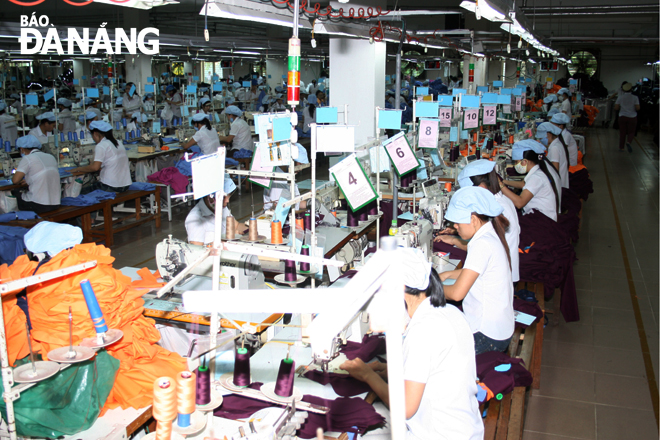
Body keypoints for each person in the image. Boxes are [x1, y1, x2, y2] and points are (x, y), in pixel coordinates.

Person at [339, 248, 484, 440]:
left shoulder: (422, 331)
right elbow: (436, 370)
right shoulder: (451, 312)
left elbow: (405, 408)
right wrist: (390, 368)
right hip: (466, 430)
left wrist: (367, 375)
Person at [437, 186, 514, 354]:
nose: (455, 226)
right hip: (500, 328)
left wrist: (429, 288)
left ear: (473, 219)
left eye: (457, 222)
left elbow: (457, 294)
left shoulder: (481, 244)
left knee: (435, 350)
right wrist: (448, 274)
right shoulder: (488, 235)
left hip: (487, 336)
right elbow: (477, 272)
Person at [445, 159, 520, 283]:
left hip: (498, 278)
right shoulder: (499, 200)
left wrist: (454, 240)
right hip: (503, 271)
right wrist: (457, 228)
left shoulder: (496, 208)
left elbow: (480, 248)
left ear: (480, 187)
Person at [500, 139, 561, 221]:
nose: (515, 165)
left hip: (543, 221)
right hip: (541, 217)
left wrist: (500, 185)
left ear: (525, 161)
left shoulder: (536, 177)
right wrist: (504, 182)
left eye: (516, 162)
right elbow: (524, 184)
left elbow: (519, 203)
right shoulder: (538, 171)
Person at [71, 121, 132, 193]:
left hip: (111, 186)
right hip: (125, 185)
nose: (93, 138)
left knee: (79, 193)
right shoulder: (118, 142)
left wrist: (78, 169)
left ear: (95, 134)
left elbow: (95, 167)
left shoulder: (101, 145)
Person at [185, 175, 246, 244]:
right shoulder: (195, 219)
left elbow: (236, 226)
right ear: (210, 197)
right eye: (224, 197)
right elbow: (197, 251)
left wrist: (253, 225)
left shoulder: (221, 206)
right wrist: (225, 241)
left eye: (228, 197)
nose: (227, 201)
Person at [10, 134, 60, 214]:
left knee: (13, 195)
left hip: (39, 205)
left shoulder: (27, 158)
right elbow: (43, 174)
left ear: (22, 149)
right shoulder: (50, 157)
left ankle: (12, 223)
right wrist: (29, 180)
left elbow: (15, 180)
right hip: (56, 203)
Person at [263, 144, 308, 211]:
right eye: (300, 164)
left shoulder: (287, 175)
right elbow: (281, 205)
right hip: (275, 216)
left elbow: (293, 200)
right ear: (291, 161)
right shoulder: (278, 178)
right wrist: (308, 203)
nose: (301, 169)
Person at [537, 122, 569, 189]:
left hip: (558, 186)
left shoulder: (554, 148)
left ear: (548, 134)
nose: (540, 140)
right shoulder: (557, 144)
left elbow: (555, 170)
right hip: (560, 184)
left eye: (541, 138)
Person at [614, 82, 640, 153]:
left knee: (622, 132)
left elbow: (616, 108)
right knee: (631, 132)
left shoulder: (620, 97)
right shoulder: (635, 98)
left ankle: (621, 148)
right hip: (632, 116)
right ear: (631, 89)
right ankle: (628, 142)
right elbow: (637, 108)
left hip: (622, 116)